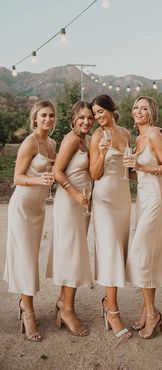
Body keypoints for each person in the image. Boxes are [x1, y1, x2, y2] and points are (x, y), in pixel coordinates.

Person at [4, 100, 56, 342]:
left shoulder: (52, 143)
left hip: (38, 209)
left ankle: (24, 303)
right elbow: (18, 177)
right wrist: (39, 180)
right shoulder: (30, 142)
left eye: (51, 115)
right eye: (43, 115)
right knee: (26, 260)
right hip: (23, 207)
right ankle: (28, 312)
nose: (48, 119)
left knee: (31, 258)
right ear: (35, 118)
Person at [123, 96, 162, 339]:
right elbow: (137, 174)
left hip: (155, 197)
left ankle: (152, 313)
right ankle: (148, 310)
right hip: (142, 198)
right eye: (135, 107)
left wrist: (141, 168)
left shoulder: (154, 134)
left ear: (152, 112)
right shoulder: (138, 138)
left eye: (144, 108)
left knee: (140, 253)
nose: (138, 111)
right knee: (147, 256)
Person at [46, 101, 94, 337]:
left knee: (72, 253)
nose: (86, 122)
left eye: (89, 118)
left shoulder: (87, 139)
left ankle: (61, 302)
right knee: (73, 255)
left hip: (82, 205)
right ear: (73, 118)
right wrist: (75, 194)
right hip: (70, 202)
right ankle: (67, 310)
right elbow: (57, 172)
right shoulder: (72, 139)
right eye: (82, 118)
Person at [89, 94, 132, 339]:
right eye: (94, 114)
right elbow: (94, 174)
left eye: (99, 111)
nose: (97, 117)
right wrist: (103, 153)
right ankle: (112, 310)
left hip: (123, 197)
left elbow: (131, 165)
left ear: (110, 109)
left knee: (120, 250)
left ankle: (108, 301)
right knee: (111, 250)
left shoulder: (125, 133)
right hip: (104, 198)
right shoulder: (97, 136)